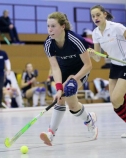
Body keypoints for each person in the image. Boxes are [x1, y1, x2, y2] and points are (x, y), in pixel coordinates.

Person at [89, 5, 126, 138]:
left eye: (98, 15)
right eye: (93, 16)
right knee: (115, 102)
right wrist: (93, 54)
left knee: (117, 98)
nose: (95, 18)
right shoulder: (95, 33)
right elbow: (99, 58)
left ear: (104, 14)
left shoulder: (116, 27)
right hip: (115, 65)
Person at [40, 12, 98, 146]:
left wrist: (74, 79)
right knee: (64, 102)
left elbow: (88, 65)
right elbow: (55, 67)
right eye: (48, 26)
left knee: (71, 104)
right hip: (63, 70)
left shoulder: (76, 40)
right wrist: (59, 87)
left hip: (80, 70)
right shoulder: (48, 43)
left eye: (53, 26)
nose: (50, 29)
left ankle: (90, 122)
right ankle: (51, 134)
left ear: (62, 26)